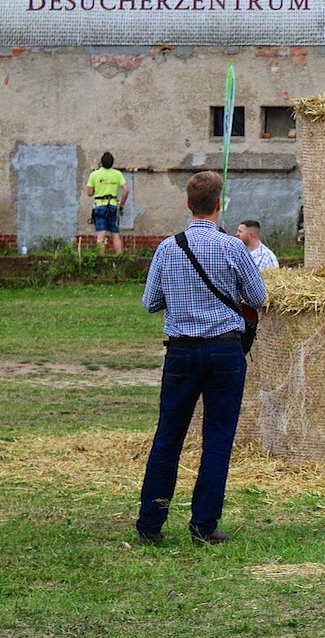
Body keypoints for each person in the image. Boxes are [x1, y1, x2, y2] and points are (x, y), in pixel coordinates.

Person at [136, 171, 267, 546]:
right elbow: (257, 297)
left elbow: (150, 303)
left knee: (168, 436)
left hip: (180, 352)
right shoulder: (233, 248)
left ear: (187, 204)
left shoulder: (167, 248)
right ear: (219, 205)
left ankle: (150, 522)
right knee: (217, 438)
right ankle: (204, 525)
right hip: (225, 351)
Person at [86, 151, 128, 254]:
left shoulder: (94, 174)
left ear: (102, 162)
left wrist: (100, 188)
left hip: (100, 205)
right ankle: (119, 257)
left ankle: (101, 259)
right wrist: (121, 204)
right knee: (115, 234)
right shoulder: (117, 174)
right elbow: (126, 190)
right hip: (113, 205)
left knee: (101, 235)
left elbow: (89, 193)